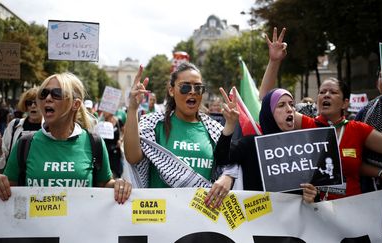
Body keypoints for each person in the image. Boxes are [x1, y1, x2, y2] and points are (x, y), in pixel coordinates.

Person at [258, 31, 382, 200]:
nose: (326, 95)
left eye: (333, 92)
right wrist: (274, 61)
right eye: (322, 92)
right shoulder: (308, 125)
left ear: (345, 103)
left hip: (351, 211)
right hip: (314, 209)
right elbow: (267, 100)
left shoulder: (358, 129)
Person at [0, 72, 131, 204]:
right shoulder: (25, 144)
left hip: (80, 229)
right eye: (43, 94)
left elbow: (104, 184)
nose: (48, 98)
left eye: (56, 93)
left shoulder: (95, 143)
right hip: (34, 230)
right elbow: (9, 187)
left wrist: (118, 184)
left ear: (75, 104)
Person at [215, 28, 318, 203]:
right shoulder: (251, 143)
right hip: (256, 225)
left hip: (291, 228)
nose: (290, 110)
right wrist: (230, 125)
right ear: (269, 114)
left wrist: (311, 196)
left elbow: (310, 193)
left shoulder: (301, 148)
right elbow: (221, 157)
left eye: (292, 105)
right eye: (281, 105)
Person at [124, 63, 239, 208]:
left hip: (203, 220)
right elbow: (132, 157)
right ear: (171, 90)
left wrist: (228, 177)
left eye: (198, 88)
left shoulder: (215, 130)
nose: (192, 92)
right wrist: (133, 107)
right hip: (161, 218)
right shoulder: (154, 125)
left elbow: (229, 166)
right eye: (185, 87)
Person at [0, 87, 43, 173]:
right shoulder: (14, 125)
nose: (33, 106)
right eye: (29, 103)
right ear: (25, 106)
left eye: (37, 102)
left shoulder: (50, 128)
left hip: (38, 181)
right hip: (15, 182)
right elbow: (0, 163)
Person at [101, 111, 124, 178]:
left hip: (116, 152)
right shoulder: (102, 122)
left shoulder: (118, 121)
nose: (104, 113)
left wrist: (121, 140)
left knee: (116, 172)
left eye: (105, 111)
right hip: (105, 150)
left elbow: (124, 132)